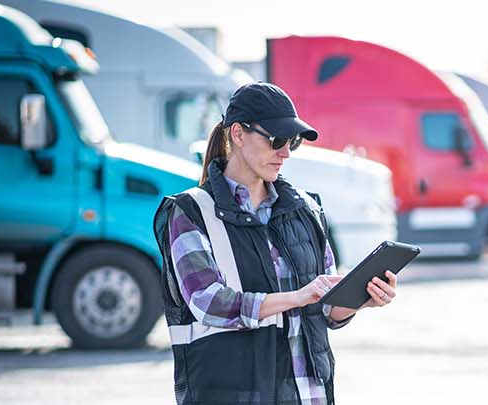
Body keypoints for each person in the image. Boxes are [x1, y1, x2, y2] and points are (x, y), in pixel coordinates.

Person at [151, 82, 398, 404]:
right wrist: (296, 297)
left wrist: (361, 298)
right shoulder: (191, 211)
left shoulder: (306, 210)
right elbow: (207, 301)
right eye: (276, 140)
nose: (285, 152)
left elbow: (324, 308)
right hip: (233, 394)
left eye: (292, 142)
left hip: (308, 394)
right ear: (237, 134)